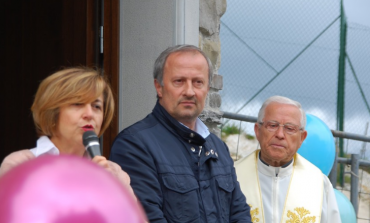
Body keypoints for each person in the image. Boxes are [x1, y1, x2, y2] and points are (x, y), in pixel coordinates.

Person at [110, 45, 252, 223]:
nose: (189, 91)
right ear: (159, 87)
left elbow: (239, 213)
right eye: (179, 81)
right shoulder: (134, 145)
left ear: (207, 88)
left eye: (198, 82)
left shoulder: (218, 148)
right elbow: (147, 217)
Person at [0, 67, 133, 194]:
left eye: (96, 106)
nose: (89, 114)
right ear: (53, 112)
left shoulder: (114, 173)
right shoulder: (21, 164)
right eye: (78, 104)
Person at [235, 96, 341, 223]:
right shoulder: (232, 176)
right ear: (258, 131)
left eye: (290, 128)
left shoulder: (319, 183)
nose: (280, 134)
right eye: (272, 125)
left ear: (302, 137)